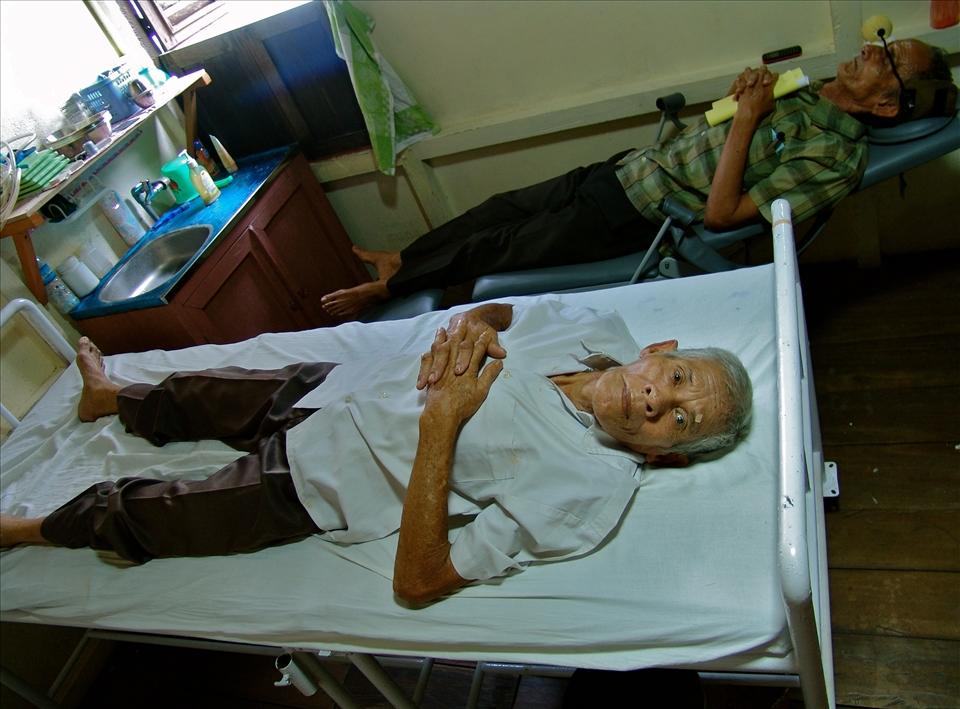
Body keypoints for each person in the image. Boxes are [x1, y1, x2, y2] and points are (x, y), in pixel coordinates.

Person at [0, 301, 751, 605]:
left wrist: (440, 428)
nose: (660, 402)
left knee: (155, 514)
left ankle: (30, 527)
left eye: (678, 423)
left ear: (662, 458)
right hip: (342, 385)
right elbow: (496, 310)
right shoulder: (590, 324)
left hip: (320, 482)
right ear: (658, 350)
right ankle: (110, 400)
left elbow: (421, 582)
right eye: (677, 380)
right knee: (201, 391)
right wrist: (467, 327)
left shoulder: (587, 492)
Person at [320, 39, 955, 317]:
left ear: (888, 106)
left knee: (498, 249)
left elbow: (721, 217)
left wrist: (747, 121)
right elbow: (737, 131)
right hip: (629, 170)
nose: (877, 50)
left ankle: (391, 287)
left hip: (639, 215)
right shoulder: (812, 92)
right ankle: (402, 258)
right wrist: (745, 101)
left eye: (892, 60)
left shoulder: (838, 159)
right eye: (888, 45)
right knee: (498, 209)